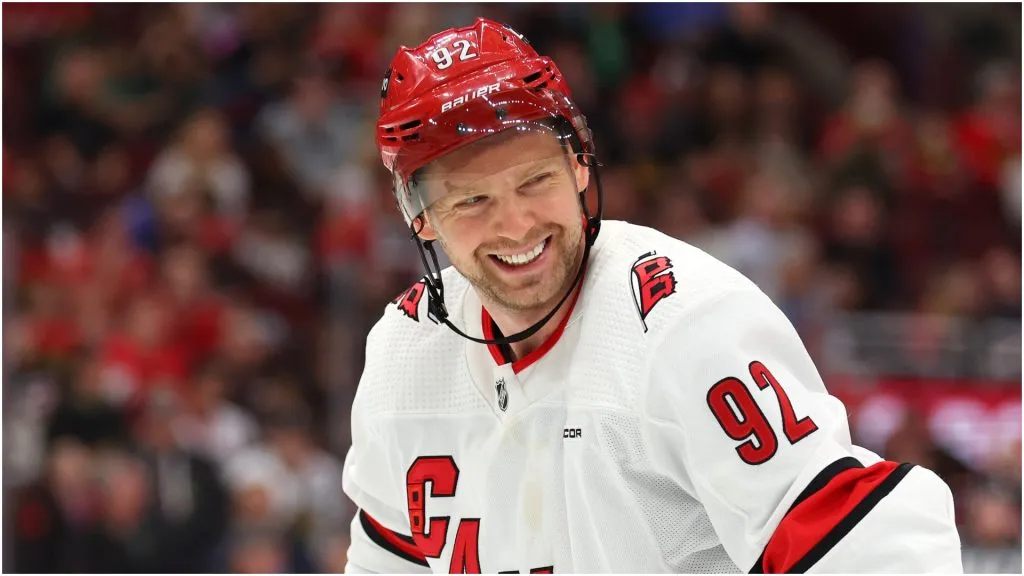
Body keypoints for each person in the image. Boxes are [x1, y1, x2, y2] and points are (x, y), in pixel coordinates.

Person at [341, 18, 963, 574]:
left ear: (581, 165)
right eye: (473, 200)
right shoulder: (403, 354)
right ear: (420, 218)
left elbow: (871, 545)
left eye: (536, 180)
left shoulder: (684, 324)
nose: (517, 225)